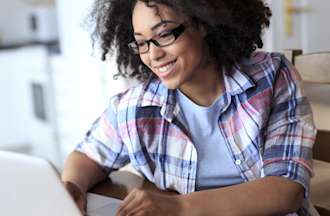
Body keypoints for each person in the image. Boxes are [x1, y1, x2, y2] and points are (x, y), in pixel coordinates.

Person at [61, 0, 317, 215]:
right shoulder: (135, 107)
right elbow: (87, 156)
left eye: (164, 34)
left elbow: (287, 189)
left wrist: (178, 207)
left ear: (203, 22)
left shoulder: (271, 78)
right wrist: (72, 186)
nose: (153, 54)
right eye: (141, 42)